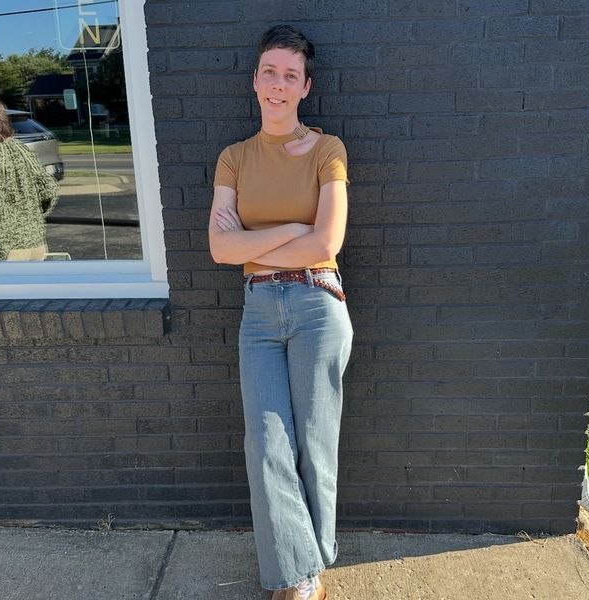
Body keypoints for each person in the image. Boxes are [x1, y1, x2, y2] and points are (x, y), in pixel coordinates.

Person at [209, 25, 353, 600]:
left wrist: (254, 242)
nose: (278, 83)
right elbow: (219, 249)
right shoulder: (234, 158)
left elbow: (327, 243)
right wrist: (295, 227)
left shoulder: (328, 150)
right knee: (266, 444)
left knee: (315, 445)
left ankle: (306, 573)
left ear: (304, 87)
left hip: (319, 302)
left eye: (290, 75)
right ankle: (299, 570)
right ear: (255, 80)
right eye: (269, 71)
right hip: (260, 313)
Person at [0, 93, 58, 261]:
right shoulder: (21, 149)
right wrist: (29, 218)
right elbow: (49, 190)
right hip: (35, 246)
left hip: (1, 254)